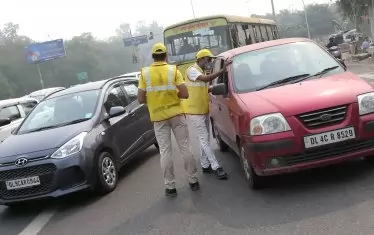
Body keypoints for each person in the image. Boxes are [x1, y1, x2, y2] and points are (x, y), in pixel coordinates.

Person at [137, 43, 199, 197]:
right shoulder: (174, 70)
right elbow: (185, 94)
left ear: (152, 57)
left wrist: (154, 101)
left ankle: (170, 187)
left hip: (158, 118)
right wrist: (172, 95)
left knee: (165, 152)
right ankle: (193, 181)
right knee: (185, 148)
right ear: (166, 55)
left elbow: (140, 99)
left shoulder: (144, 74)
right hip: (177, 115)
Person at [183, 49, 231, 180]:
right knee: (204, 139)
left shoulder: (200, 71)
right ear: (202, 59)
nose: (210, 62)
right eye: (208, 60)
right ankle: (216, 166)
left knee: (205, 139)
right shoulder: (192, 70)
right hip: (194, 111)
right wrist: (221, 71)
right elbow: (205, 79)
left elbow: (204, 86)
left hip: (202, 109)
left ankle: (205, 165)